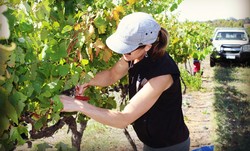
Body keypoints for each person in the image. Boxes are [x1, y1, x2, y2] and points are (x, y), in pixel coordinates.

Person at [60, 12, 190, 151]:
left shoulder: (162, 75)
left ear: (147, 46)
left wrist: (79, 106)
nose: (124, 53)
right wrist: (87, 81)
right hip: (151, 143)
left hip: (170, 146)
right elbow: (112, 74)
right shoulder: (134, 55)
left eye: (128, 50)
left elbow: (124, 119)